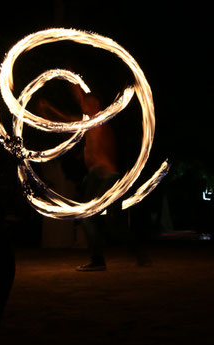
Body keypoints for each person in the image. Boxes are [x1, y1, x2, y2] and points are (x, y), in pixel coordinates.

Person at [37, 86, 149, 271]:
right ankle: (136, 254)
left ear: (96, 104)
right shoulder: (92, 124)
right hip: (96, 176)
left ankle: (99, 260)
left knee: (92, 218)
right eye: (83, 102)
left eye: (87, 102)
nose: (83, 105)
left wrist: (51, 107)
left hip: (106, 177)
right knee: (111, 221)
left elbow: (67, 121)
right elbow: (71, 130)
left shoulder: (98, 121)